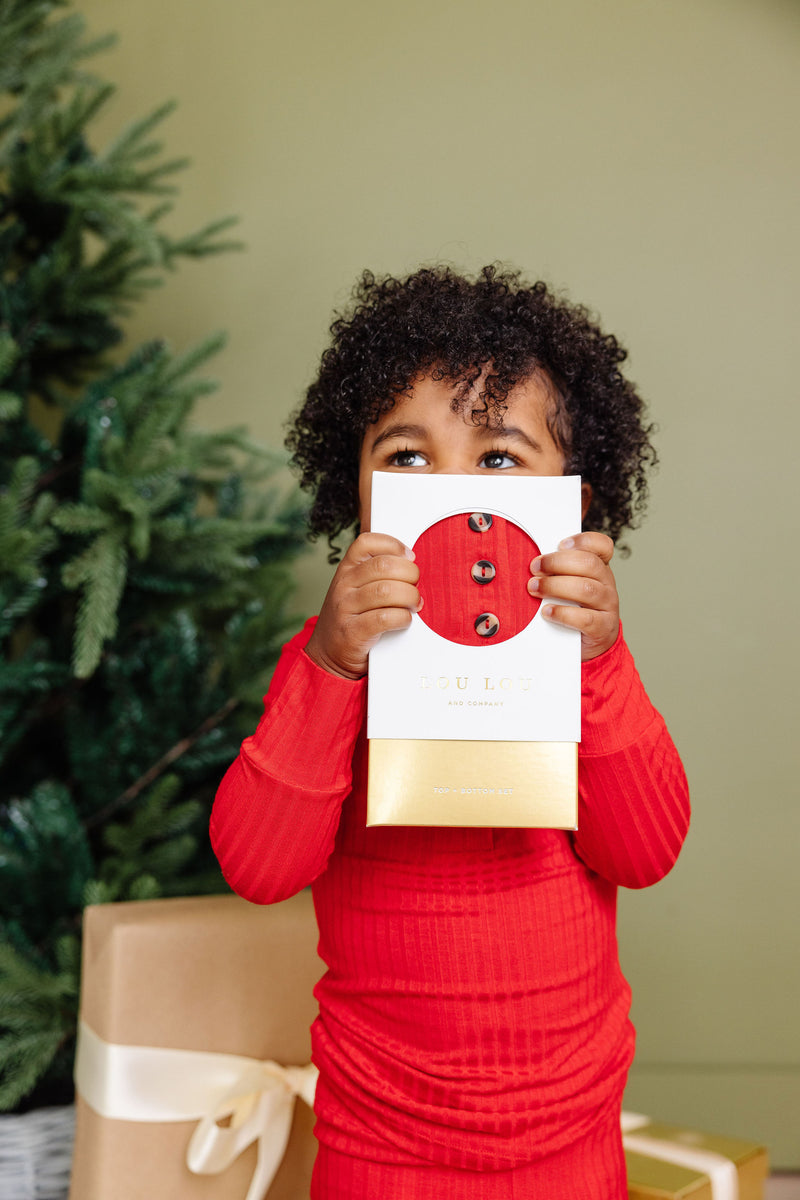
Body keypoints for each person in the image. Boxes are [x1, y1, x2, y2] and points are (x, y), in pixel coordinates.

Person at [211, 265, 690, 1199]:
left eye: (500, 458)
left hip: (567, 1131)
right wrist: (335, 668)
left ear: (575, 501)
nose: (450, 489)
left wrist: (598, 661)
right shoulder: (325, 661)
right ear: (356, 486)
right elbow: (257, 867)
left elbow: (646, 849)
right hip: (380, 1137)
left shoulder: (582, 661)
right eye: (407, 456)